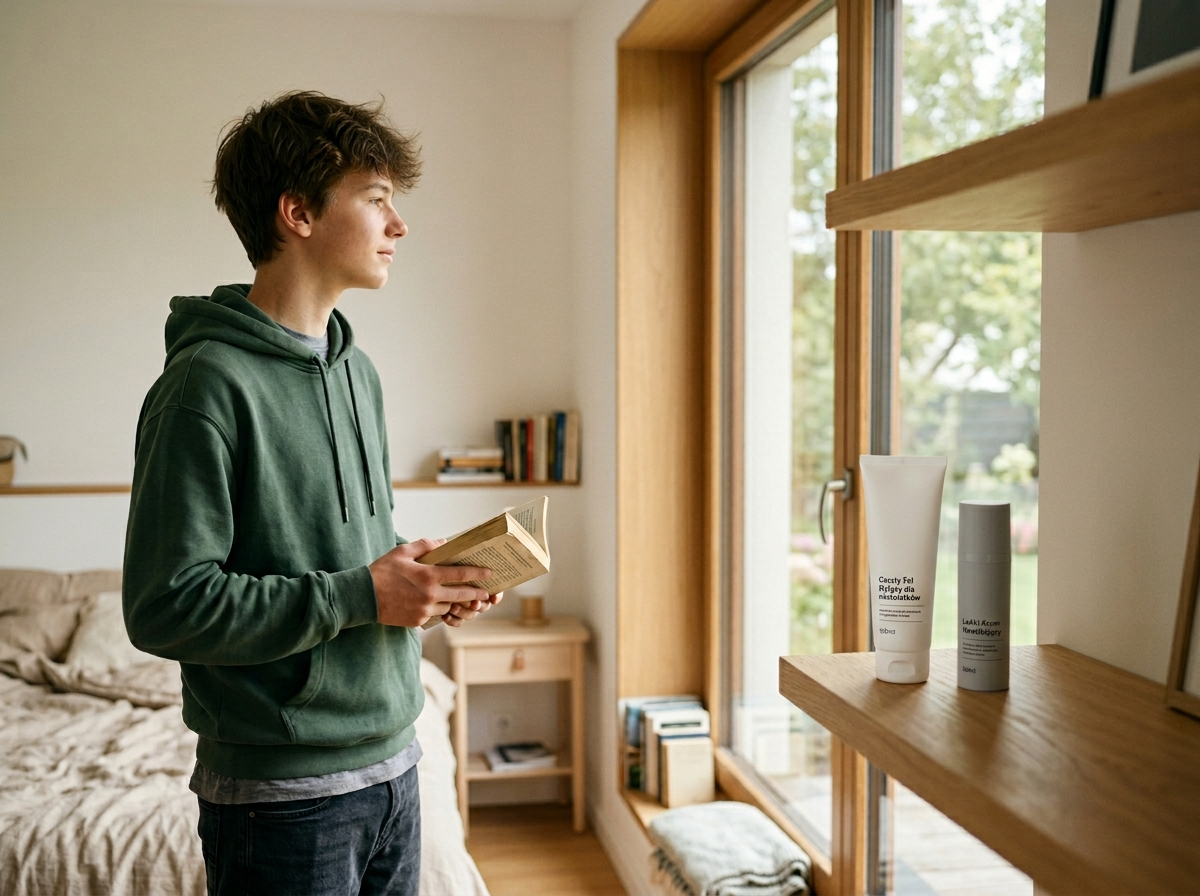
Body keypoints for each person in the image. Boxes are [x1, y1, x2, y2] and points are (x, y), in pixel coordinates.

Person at [122, 91, 498, 896]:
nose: (399, 226)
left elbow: (349, 565)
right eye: (375, 199)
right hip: (282, 799)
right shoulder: (203, 386)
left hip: (398, 760)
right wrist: (364, 593)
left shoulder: (358, 372)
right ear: (297, 212)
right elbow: (165, 606)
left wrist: (421, 589)